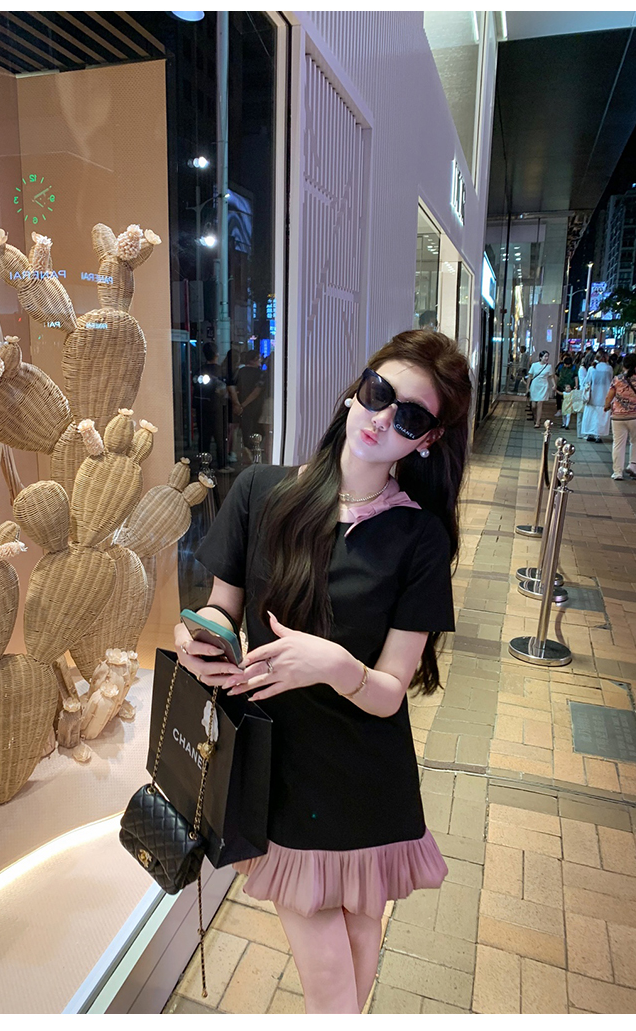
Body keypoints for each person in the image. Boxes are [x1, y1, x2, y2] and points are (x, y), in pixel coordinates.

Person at [175, 329, 472, 1014]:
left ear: (427, 441)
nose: (382, 418)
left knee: (356, 968)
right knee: (334, 988)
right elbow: (221, 607)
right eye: (378, 392)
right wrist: (200, 636)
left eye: (410, 417)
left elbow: (390, 692)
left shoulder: (420, 538)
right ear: (354, 391)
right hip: (282, 773)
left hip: (368, 777)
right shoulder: (261, 492)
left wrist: (335, 665)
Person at [193, 341, 228, 470]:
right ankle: (222, 464)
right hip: (217, 407)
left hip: (202, 406)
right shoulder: (221, 370)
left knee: (204, 437)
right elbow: (223, 390)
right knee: (220, 437)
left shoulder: (199, 370)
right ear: (217, 354)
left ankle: (204, 464)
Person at [604, 353, 636, 480]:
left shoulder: (617, 379)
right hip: (634, 417)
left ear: (624, 365)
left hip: (618, 416)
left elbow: (609, 396)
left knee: (618, 444)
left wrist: (606, 406)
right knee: (635, 442)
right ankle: (633, 465)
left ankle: (617, 472)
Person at [235, 349, 267, 459]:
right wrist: (244, 404)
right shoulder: (260, 374)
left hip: (241, 405)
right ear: (255, 359)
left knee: (246, 429)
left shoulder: (240, 372)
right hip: (256, 405)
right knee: (257, 429)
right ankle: (254, 452)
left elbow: (235, 388)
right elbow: (257, 391)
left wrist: (239, 404)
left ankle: (247, 451)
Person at [581, 349, 614, 443]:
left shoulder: (592, 369)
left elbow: (586, 381)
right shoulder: (609, 368)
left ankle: (590, 433)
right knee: (601, 417)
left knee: (591, 416)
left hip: (592, 396)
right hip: (604, 396)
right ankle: (598, 435)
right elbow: (611, 382)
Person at [526, 350, 555, 428]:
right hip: (535, 386)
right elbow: (530, 376)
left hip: (543, 386)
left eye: (547, 356)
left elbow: (551, 376)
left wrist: (554, 385)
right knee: (533, 406)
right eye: (545, 356)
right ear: (540, 357)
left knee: (540, 403)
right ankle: (535, 416)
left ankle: (538, 422)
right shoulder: (534, 365)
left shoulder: (549, 366)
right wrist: (527, 388)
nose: (547, 358)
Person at [556, 354, 578, 429]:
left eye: (568, 365)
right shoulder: (560, 366)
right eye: (566, 364)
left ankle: (570, 411)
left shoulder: (574, 368)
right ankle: (559, 410)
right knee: (559, 397)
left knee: (569, 399)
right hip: (561, 384)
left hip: (570, 386)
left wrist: (576, 385)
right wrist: (555, 384)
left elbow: (576, 377)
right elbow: (556, 375)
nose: (567, 366)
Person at [576, 352, 594, 438]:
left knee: (587, 414)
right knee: (581, 413)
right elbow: (583, 382)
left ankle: (586, 432)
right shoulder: (582, 369)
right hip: (583, 392)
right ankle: (580, 433)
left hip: (589, 392)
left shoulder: (590, 369)